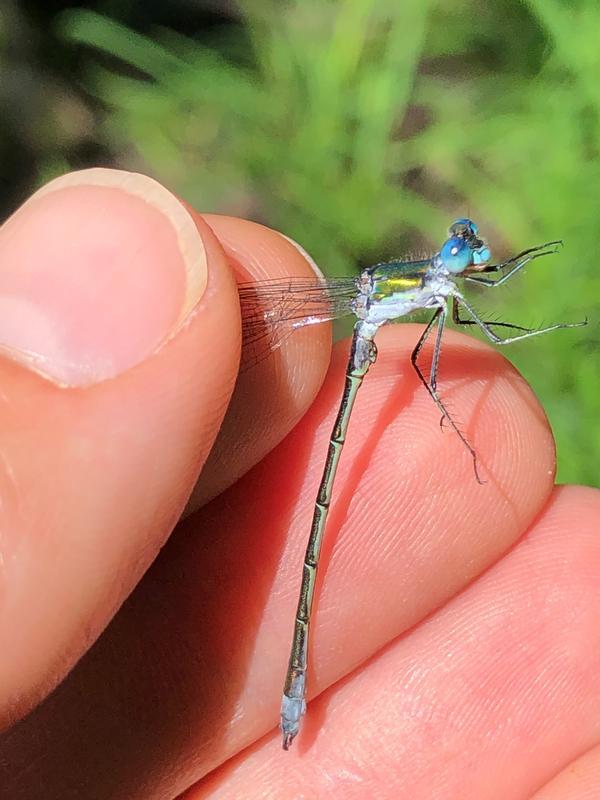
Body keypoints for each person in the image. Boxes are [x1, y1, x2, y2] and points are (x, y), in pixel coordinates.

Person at [0, 168, 598, 799]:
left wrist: (521, 260)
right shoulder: (427, 291)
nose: (471, 257)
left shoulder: (438, 285)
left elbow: (462, 315)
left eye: (466, 249)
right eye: (462, 249)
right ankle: (295, 685)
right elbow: (454, 347)